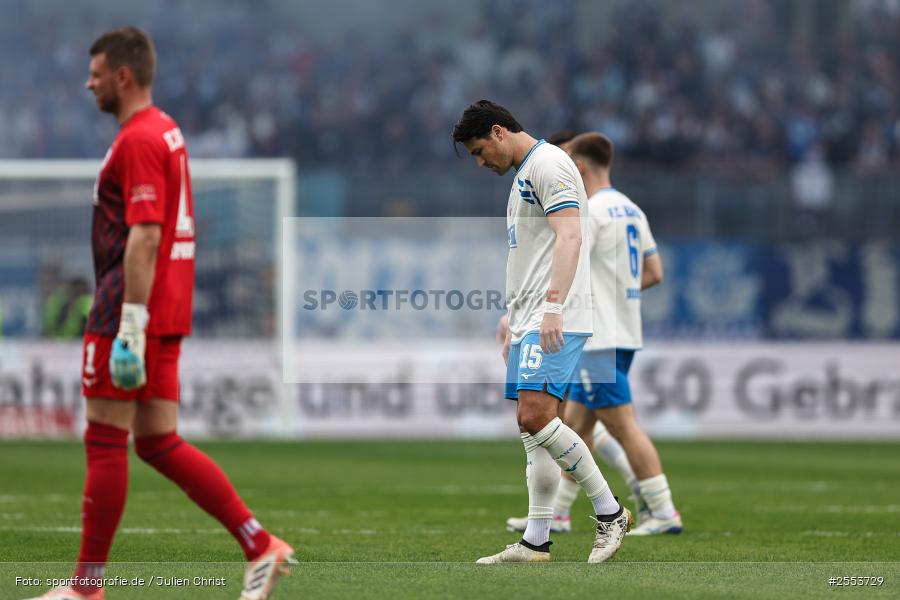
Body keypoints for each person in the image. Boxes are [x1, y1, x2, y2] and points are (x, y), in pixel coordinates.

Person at [29, 27, 294, 600]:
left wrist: (128, 325)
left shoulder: (139, 139)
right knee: (156, 441)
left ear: (122, 76)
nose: (88, 83)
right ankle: (259, 544)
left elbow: (145, 235)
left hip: (130, 306)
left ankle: (85, 587)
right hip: (164, 308)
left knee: (104, 441)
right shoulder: (167, 130)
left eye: (96, 73)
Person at [452, 100, 631, 565]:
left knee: (535, 417)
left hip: (557, 315)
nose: (479, 162)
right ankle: (536, 540)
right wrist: (514, 314)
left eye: (477, 151)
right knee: (532, 430)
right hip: (530, 315)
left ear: (498, 132)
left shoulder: (550, 164)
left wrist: (552, 307)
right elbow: (533, 252)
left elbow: (570, 236)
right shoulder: (526, 173)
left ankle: (610, 513)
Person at [541, 132, 682, 535]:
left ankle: (663, 509)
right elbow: (654, 273)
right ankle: (556, 514)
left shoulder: (591, 211)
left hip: (597, 336)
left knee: (621, 425)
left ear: (580, 166)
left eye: (568, 163)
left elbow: (571, 265)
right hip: (625, 330)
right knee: (577, 427)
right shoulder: (632, 210)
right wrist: (619, 291)